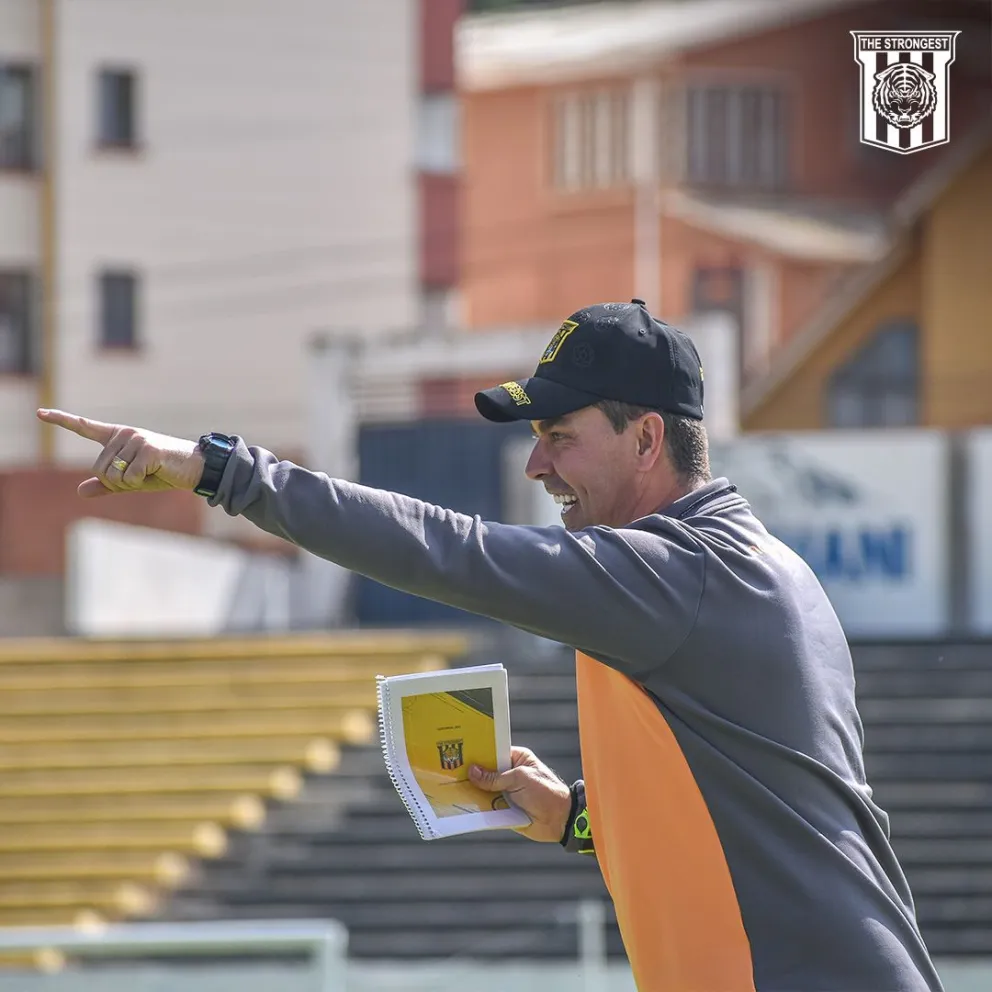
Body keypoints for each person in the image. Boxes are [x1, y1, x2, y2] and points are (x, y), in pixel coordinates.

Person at [37, 299, 943, 992]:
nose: (537, 465)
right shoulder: (743, 562)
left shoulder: (677, 574)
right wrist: (581, 820)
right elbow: (766, 810)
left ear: (649, 438)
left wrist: (224, 472)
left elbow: (449, 552)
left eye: (559, 436)